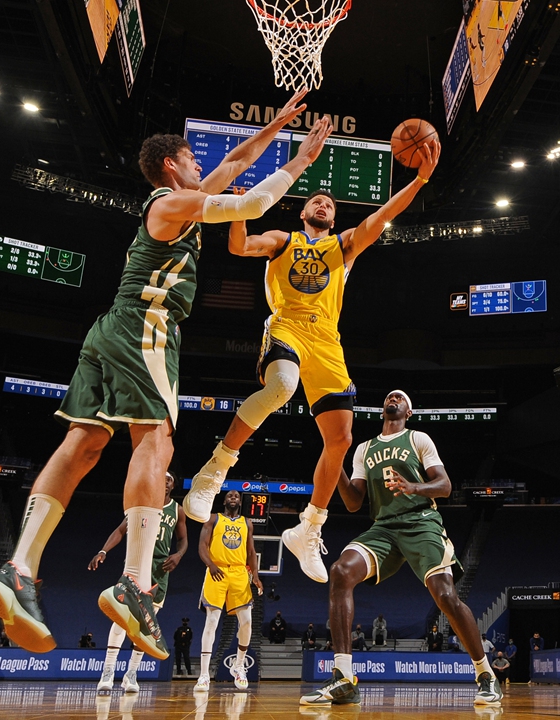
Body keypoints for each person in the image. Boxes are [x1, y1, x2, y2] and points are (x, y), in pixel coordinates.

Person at [0, 90, 331, 659]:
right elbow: (252, 203)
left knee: (85, 442)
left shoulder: (179, 202)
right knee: (155, 442)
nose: (202, 167)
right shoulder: (168, 202)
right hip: (147, 326)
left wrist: (277, 130)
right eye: (193, 160)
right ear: (171, 165)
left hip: (109, 330)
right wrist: (300, 163)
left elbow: (235, 166)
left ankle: (19, 568)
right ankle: (137, 584)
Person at [182, 141, 442, 586]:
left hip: (327, 342)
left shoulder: (344, 247)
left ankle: (309, 528)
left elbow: (381, 217)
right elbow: (241, 244)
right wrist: (241, 206)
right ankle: (216, 469)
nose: (323, 204)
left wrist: (418, 179)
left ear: (334, 218)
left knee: (340, 440)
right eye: (315, 201)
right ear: (302, 213)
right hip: (287, 326)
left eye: (329, 203)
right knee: (282, 385)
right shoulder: (285, 240)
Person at [300, 390, 502, 707]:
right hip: (384, 527)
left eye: (399, 397)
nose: (392, 398)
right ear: (384, 409)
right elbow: (353, 502)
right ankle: (343, 679)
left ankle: (485, 674)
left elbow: (445, 485)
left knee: (447, 597)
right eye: (389, 397)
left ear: (408, 411)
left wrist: (413, 487)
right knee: (340, 571)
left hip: (421, 522)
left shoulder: (418, 439)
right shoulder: (364, 449)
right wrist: (334, 458)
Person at [89, 471, 187, 693]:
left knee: (147, 625)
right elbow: (121, 530)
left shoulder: (177, 510)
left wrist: (179, 555)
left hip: (160, 570)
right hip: (137, 563)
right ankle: (108, 671)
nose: (164, 481)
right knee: (121, 619)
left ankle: (131, 674)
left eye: (169, 479)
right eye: (161, 477)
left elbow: (183, 539)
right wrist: (103, 550)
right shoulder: (143, 505)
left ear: (173, 486)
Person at [195, 491, 262, 693]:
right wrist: (210, 564)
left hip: (240, 572)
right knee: (212, 622)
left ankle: (239, 666)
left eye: (236, 496)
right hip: (217, 571)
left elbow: (251, 552)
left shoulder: (247, 523)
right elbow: (202, 546)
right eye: (229, 496)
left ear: (240, 502)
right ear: (224, 500)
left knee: (247, 622)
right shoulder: (213, 518)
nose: (233, 497)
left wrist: (256, 576)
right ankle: (204, 675)